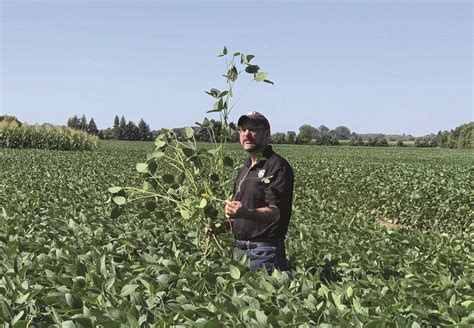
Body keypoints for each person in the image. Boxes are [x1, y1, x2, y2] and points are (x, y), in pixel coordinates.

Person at [224, 111, 294, 274]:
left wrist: (245, 212)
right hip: (239, 252)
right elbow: (240, 213)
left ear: (267, 134)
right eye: (243, 129)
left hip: (265, 253)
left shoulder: (277, 166)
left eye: (253, 129)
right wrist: (220, 227)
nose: (246, 134)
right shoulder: (245, 169)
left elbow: (275, 212)